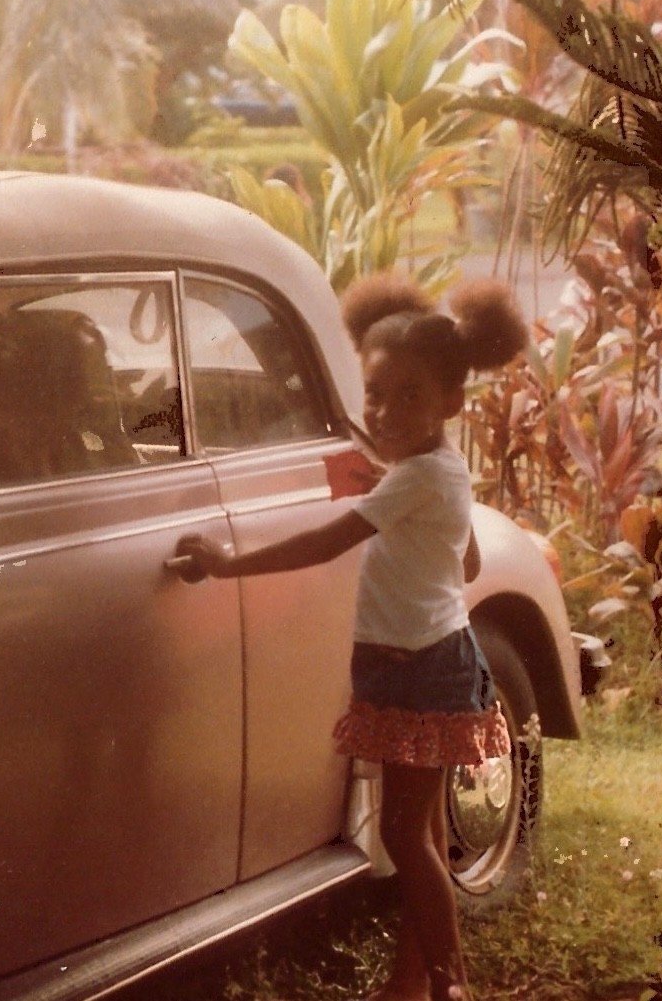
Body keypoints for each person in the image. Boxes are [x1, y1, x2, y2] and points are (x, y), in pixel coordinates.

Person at [177, 271, 528, 1001]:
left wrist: (226, 563)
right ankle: (416, 982)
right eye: (374, 393)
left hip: (420, 671)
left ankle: (449, 982)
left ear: (451, 403)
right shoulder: (431, 473)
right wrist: (385, 491)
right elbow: (460, 555)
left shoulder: (415, 480)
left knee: (404, 837)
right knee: (419, 832)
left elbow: (327, 542)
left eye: (409, 396)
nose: (384, 409)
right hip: (417, 664)